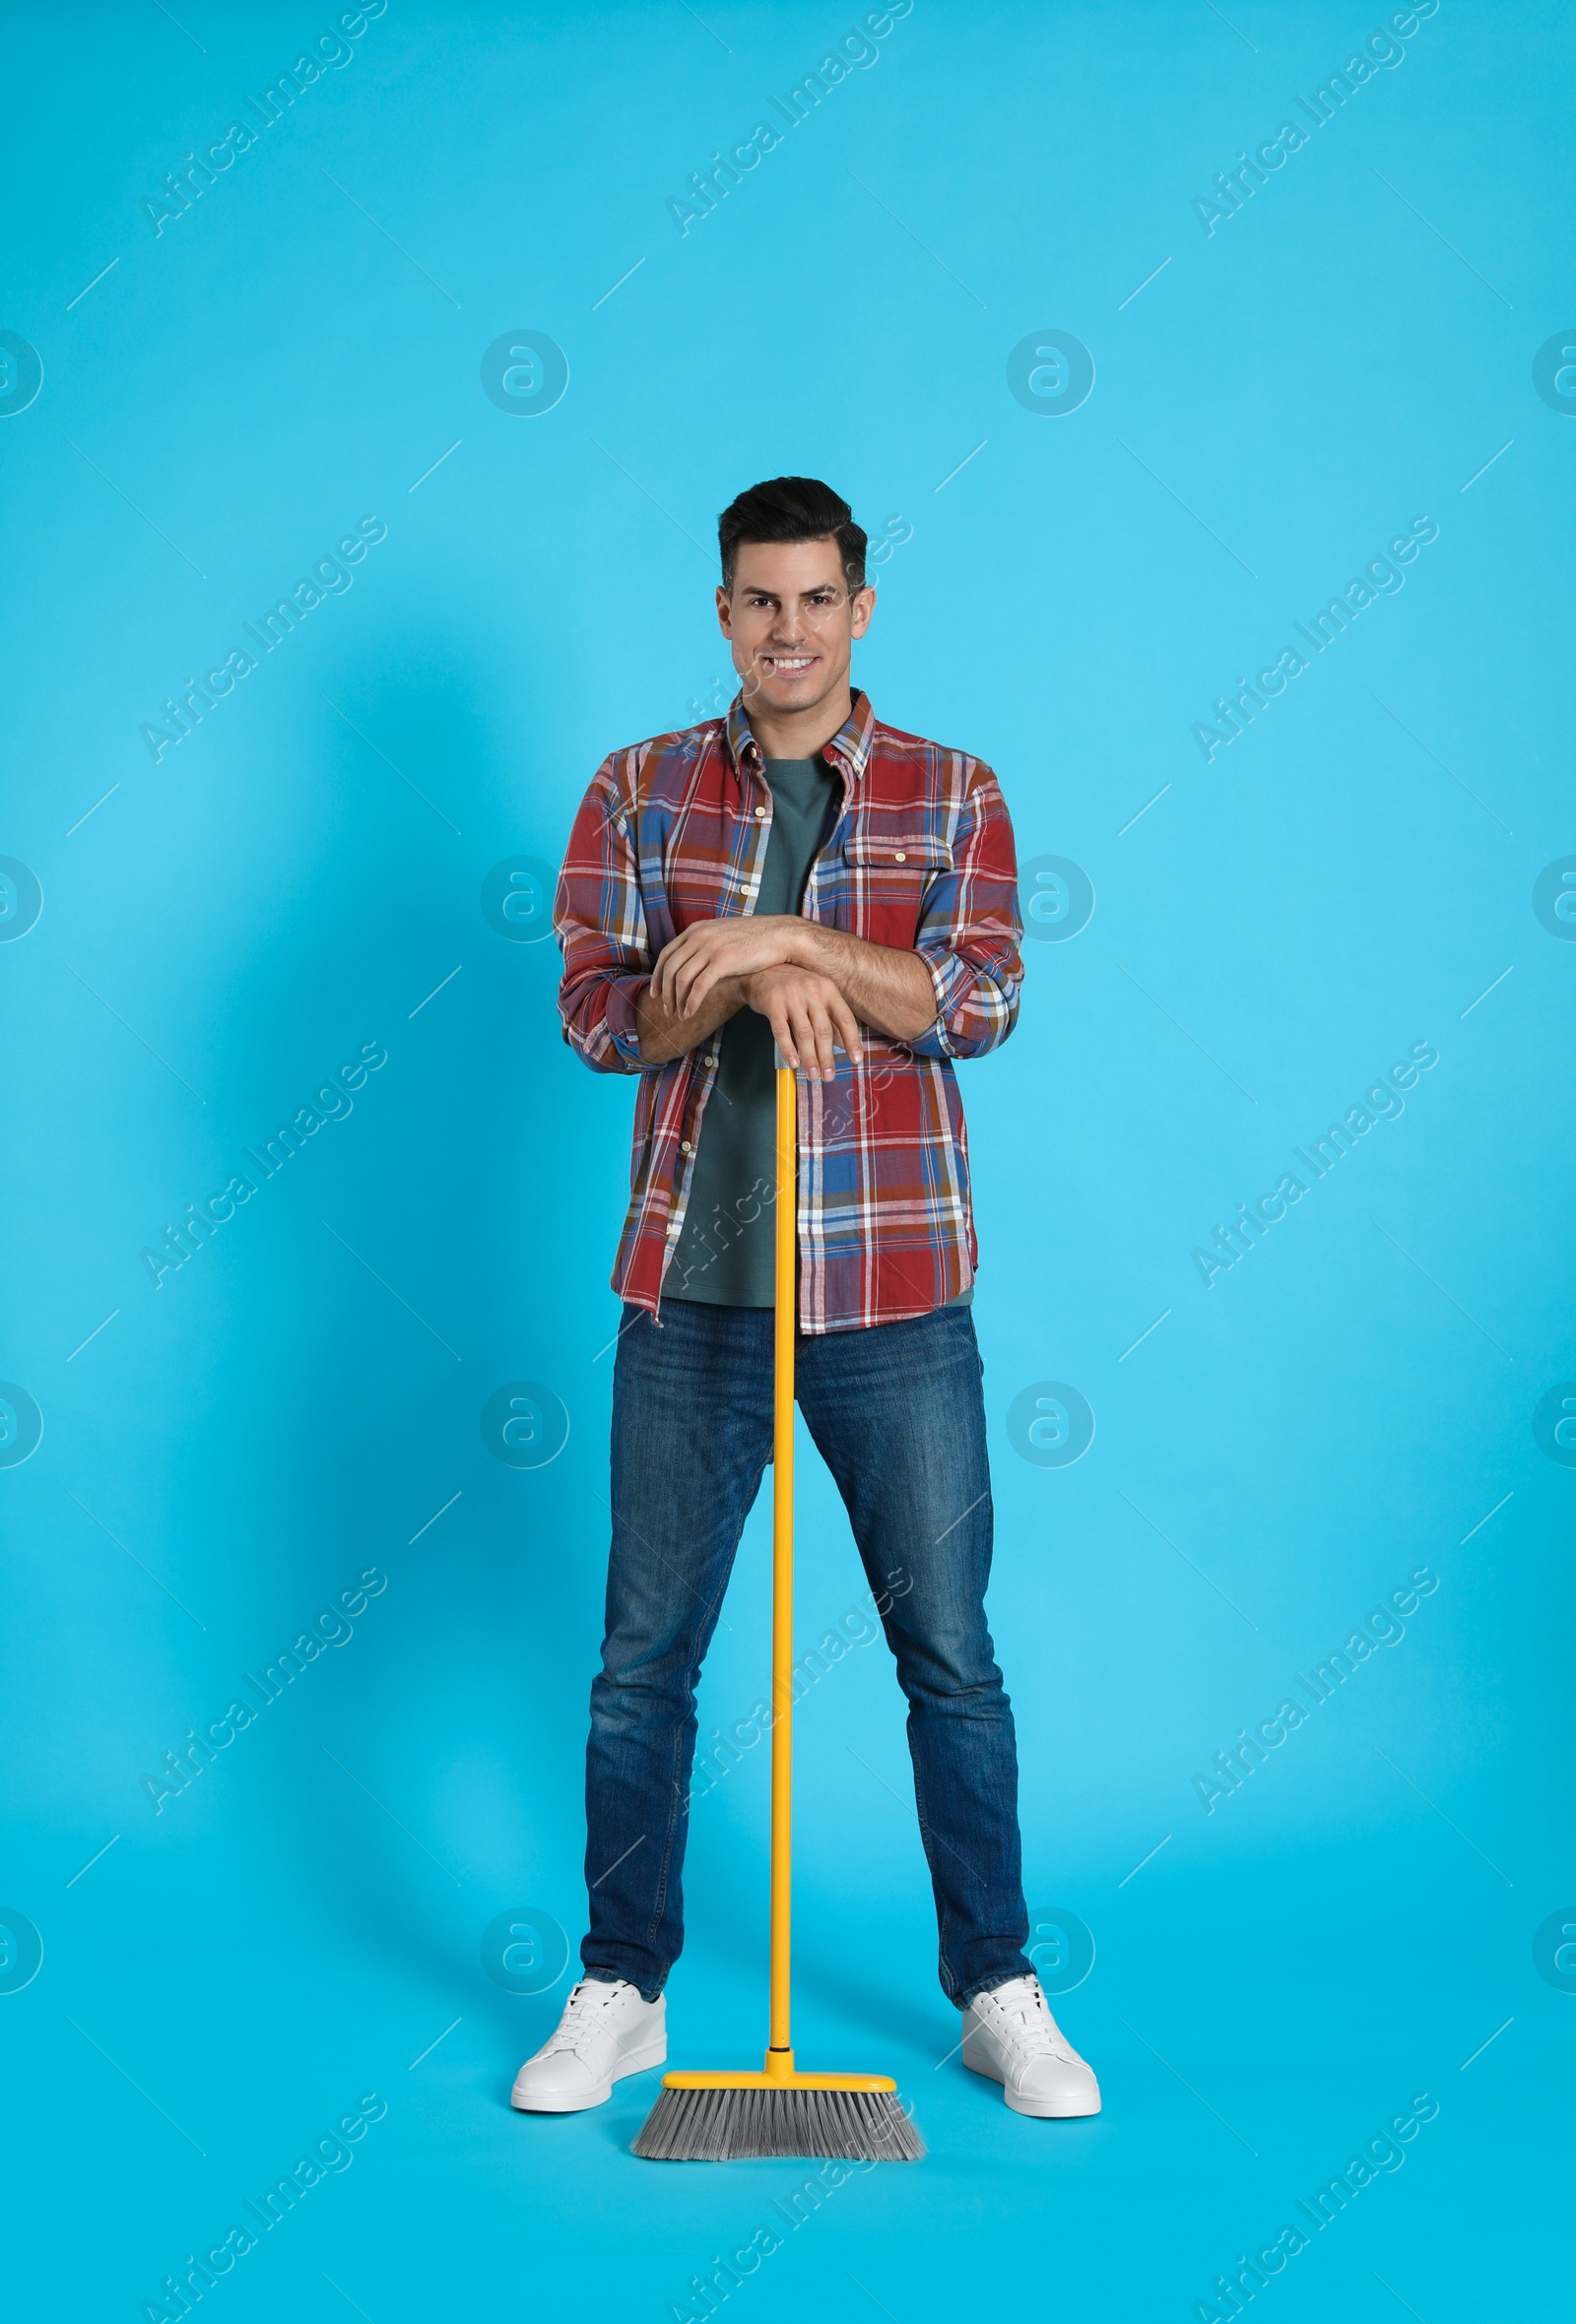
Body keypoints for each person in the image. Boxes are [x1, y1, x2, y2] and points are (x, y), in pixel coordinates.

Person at [511, 477, 1099, 2124]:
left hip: (891, 1287)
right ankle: (624, 1984)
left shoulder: (949, 786)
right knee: (643, 1664)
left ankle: (996, 1986)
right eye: (759, 602)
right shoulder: (635, 788)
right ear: (722, 613)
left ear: (861, 606)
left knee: (950, 1652)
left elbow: (974, 999)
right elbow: (593, 1009)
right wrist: (742, 979)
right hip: (691, 1288)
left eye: (817, 600)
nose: (790, 631)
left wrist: (777, 936)